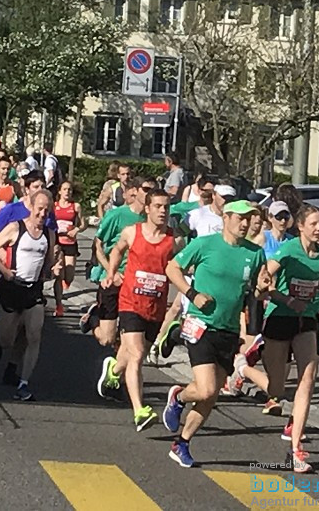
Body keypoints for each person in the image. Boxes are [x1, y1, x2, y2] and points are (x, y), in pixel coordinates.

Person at [162, 199, 269, 468]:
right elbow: (172, 268)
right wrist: (192, 293)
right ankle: (178, 397)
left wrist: (264, 288)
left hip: (229, 329)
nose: (245, 223)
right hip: (201, 325)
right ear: (226, 217)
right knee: (207, 388)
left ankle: (182, 443)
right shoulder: (205, 244)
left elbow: (256, 292)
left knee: (210, 395)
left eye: (250, 219)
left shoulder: (254, 253)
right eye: (240, 218)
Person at [261, 204, 319, 474]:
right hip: (280, 317)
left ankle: (295, 448)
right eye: (315, 224)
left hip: (308, 319)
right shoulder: (288, 250)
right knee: (276, 389)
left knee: (308, 378)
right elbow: (265, 281)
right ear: (301, 226)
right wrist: (284, 297)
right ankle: (243, 368)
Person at [97, 188, 176, 430]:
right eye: (158, 206)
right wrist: (112, 272)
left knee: (132, 356)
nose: (163, 211)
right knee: (139, 355)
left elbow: (180, 266)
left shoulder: (175, 240)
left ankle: (113, 370)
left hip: (156, 306)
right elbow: (117, 249)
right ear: (148, 209)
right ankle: (140, 410)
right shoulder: (133, 232)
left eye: (166, 207)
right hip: (130, 302)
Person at [0, 189, 61, 401]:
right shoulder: (15, 228)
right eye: (39, 209)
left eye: (46, 210)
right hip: (12, 287)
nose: (42, 214)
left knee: (33, 335)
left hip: (33, 291)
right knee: (8, 339)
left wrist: (52, 269)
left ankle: (23, 383)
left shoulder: (49, 234)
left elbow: (48, 262)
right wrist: (6, 272)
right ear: (31, 207)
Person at [81, 178, 150, 349]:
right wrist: (110, 271)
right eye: (146, 189)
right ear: (135, 191)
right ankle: (93, 319)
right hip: (114, 278)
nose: (149, 194)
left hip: (135, 282)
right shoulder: (117, 215)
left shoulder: (150, 219)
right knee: (107, 339)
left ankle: (116, 373)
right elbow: (97, 245)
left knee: (128, 337)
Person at [52, 180, 85, 317]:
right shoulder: (53, 206)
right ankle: (59, 305)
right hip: (57, 242)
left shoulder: (76, 206)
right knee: (58, 274)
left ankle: (67, 281)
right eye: (65, 189)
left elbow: (84, 224)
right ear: (59, 191)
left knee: (69, 274)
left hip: (70, 242)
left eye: (69, 190)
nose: (67, 192)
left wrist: (76, 229)